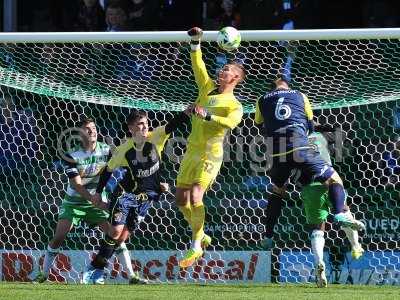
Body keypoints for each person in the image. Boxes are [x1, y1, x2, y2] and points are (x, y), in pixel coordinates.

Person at [83, 108, 190, 284]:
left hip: (146, 197)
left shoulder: (156, 137)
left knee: (123, 237)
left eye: (146, 124)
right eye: (140, 124)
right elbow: (107, 171)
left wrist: (188, 112)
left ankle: (104, 269)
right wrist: (97, 193)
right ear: (131, 128)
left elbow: (173, 125)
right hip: (125, 194)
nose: (144, 127)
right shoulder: (124, 150)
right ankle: (95, 271)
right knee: (115, 231)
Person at [255, 77, 364, 233]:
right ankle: (340, 213)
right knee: (334, 179)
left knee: (278, 190)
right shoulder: (300, 95)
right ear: (288, 84)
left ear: (270, 87)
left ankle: (268, 235)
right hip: (301, 149)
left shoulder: (262, 99)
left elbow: (259, 125)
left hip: (278, 154)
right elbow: (311, 126)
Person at [176, 27, 245, 268]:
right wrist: (195, 41)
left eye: (227, 70)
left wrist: (207, 117)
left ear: (235, 78)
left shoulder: (234, 104)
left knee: (196, 196)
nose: (222, 71)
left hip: (210, 153)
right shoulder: (206, 89)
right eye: (223, 68)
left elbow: (231, 123)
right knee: (181, 201)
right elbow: (199, 66)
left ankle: (196, 245)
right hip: (191, 151)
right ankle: (202, 233)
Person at [35, 118, 133, 283]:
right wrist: (95, 199)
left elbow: (121, 169)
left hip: (96, 201)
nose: (92, 131)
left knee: (114, 235)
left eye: (93, 128)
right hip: (74, 203)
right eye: (87, 129)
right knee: (59, 237)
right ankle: (44, 274)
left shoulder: (107, 150)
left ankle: (131, 275)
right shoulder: (71, 155)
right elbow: (77, 184)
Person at [295, 130, 364, 287]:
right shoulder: (320, 135)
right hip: (329, 179)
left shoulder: (291, 141)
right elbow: (343, 135)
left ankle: (319, 261)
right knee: (344, 210)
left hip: (309, 186)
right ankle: (355, 246)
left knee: (317, 227)